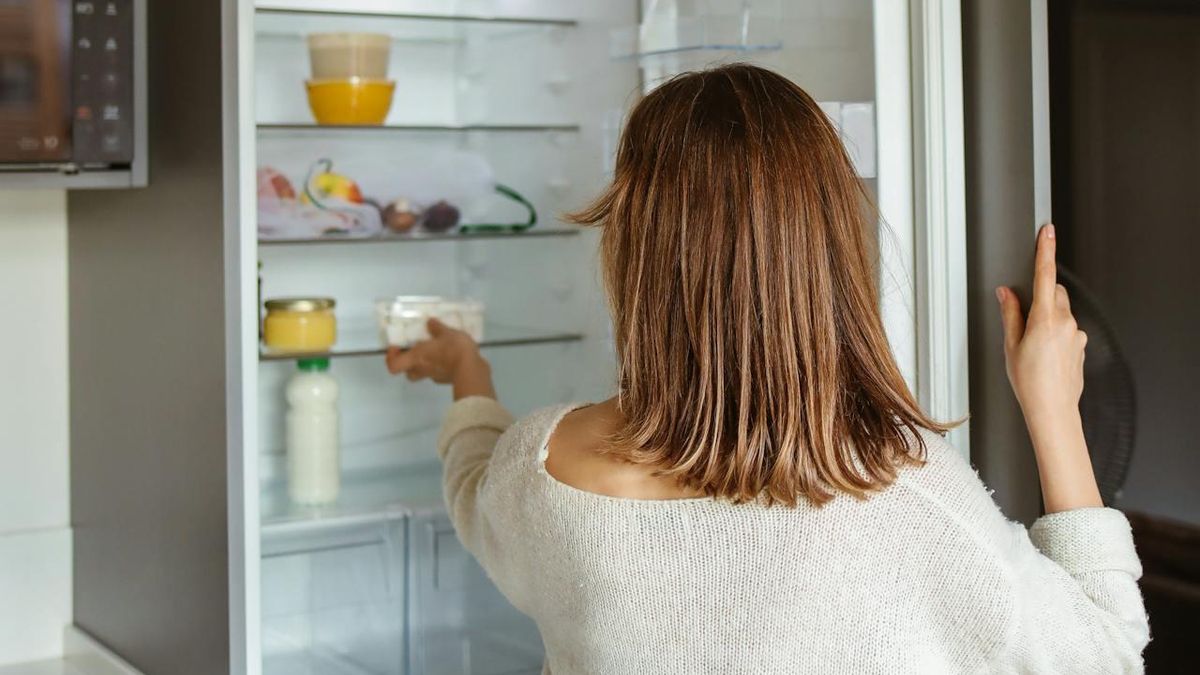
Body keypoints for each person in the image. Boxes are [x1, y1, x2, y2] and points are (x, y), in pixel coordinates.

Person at [386, 64, 1148, 674]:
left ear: (637, 253)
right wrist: (1054, 410)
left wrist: (467, 370)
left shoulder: (547, 468)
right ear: (828, 252)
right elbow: (1105, 654)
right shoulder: (911, 495)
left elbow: (473, 484)